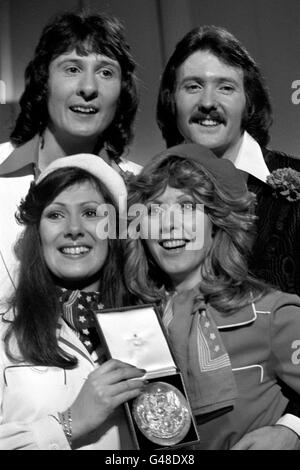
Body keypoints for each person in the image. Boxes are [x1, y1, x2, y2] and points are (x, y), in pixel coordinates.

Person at [124, 143, 300, 450]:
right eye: (154, 210)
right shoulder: (131, 322)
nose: (169, 224)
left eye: (187, 206)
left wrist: (292, 430)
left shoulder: (269, 312)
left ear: (216, 221)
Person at [0, 154, 146, 450]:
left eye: (91, 213)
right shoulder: (4, 332)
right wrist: (69, 423)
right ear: (37, 232)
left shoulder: (153, 322)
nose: (74, 228)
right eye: (55, 215)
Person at [0, 10, 141, 302]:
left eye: (105, 72)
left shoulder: (142, 189)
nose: (88, 88)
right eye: (72, 69)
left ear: (122, 91)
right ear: (44, 81)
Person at [156, 25, 300, 297]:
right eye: (193, 86)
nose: (208, 102)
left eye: (225, 87)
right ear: (172, 100)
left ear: (249, 101)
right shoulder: (151, 193)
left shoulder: (295, 180)